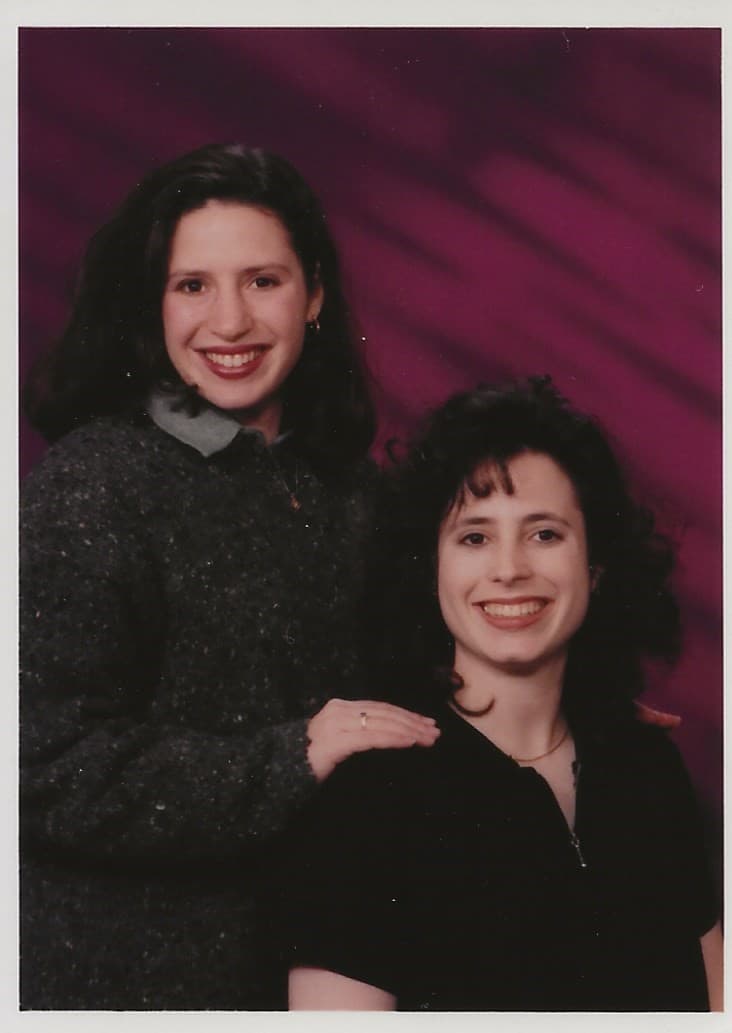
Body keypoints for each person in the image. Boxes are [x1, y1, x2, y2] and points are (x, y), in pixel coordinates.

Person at [19, 143, 440, 1010]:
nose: (230, 321)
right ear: (153, 303)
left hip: (324, 971)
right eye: (192, 285)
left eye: (263, 281)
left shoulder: (350, 491)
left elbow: (411, 686)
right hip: (128, 985)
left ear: (314, 294)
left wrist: (557, 704)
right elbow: (40, 762)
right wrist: (290, 756)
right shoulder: (94, 483)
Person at [283, 377, 723, 1011]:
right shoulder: (370, 798)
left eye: (545, 534)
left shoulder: (647, 766)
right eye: (475, 537)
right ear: (429, 569)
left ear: (595, 566)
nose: (510, 569)